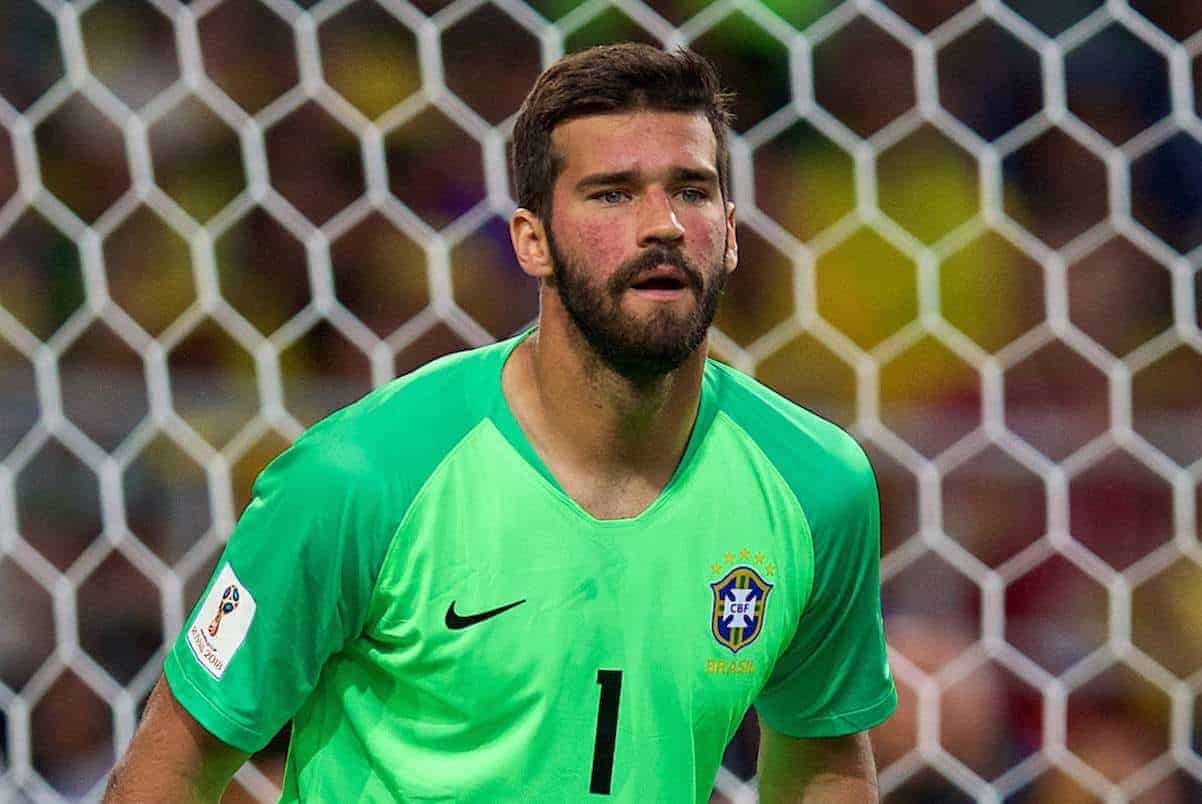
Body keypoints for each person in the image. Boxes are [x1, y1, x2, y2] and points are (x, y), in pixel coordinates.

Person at [104, 43, 896, 802]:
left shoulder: (816, 487)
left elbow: (824, 762)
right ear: (532, 241)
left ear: (729, 235)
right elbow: (174, 762)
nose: (661, 224)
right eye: (612, 192)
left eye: (689, 190)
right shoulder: (360, 476)